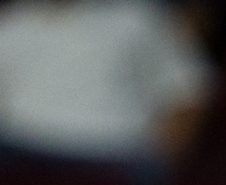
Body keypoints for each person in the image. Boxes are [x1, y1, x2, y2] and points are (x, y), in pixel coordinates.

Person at [0, 0, 209, 174]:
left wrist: (163, 155)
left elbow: (189, 91)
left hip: (116, 155)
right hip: (19, 148)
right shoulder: (13, 20)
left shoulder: (139, 17)